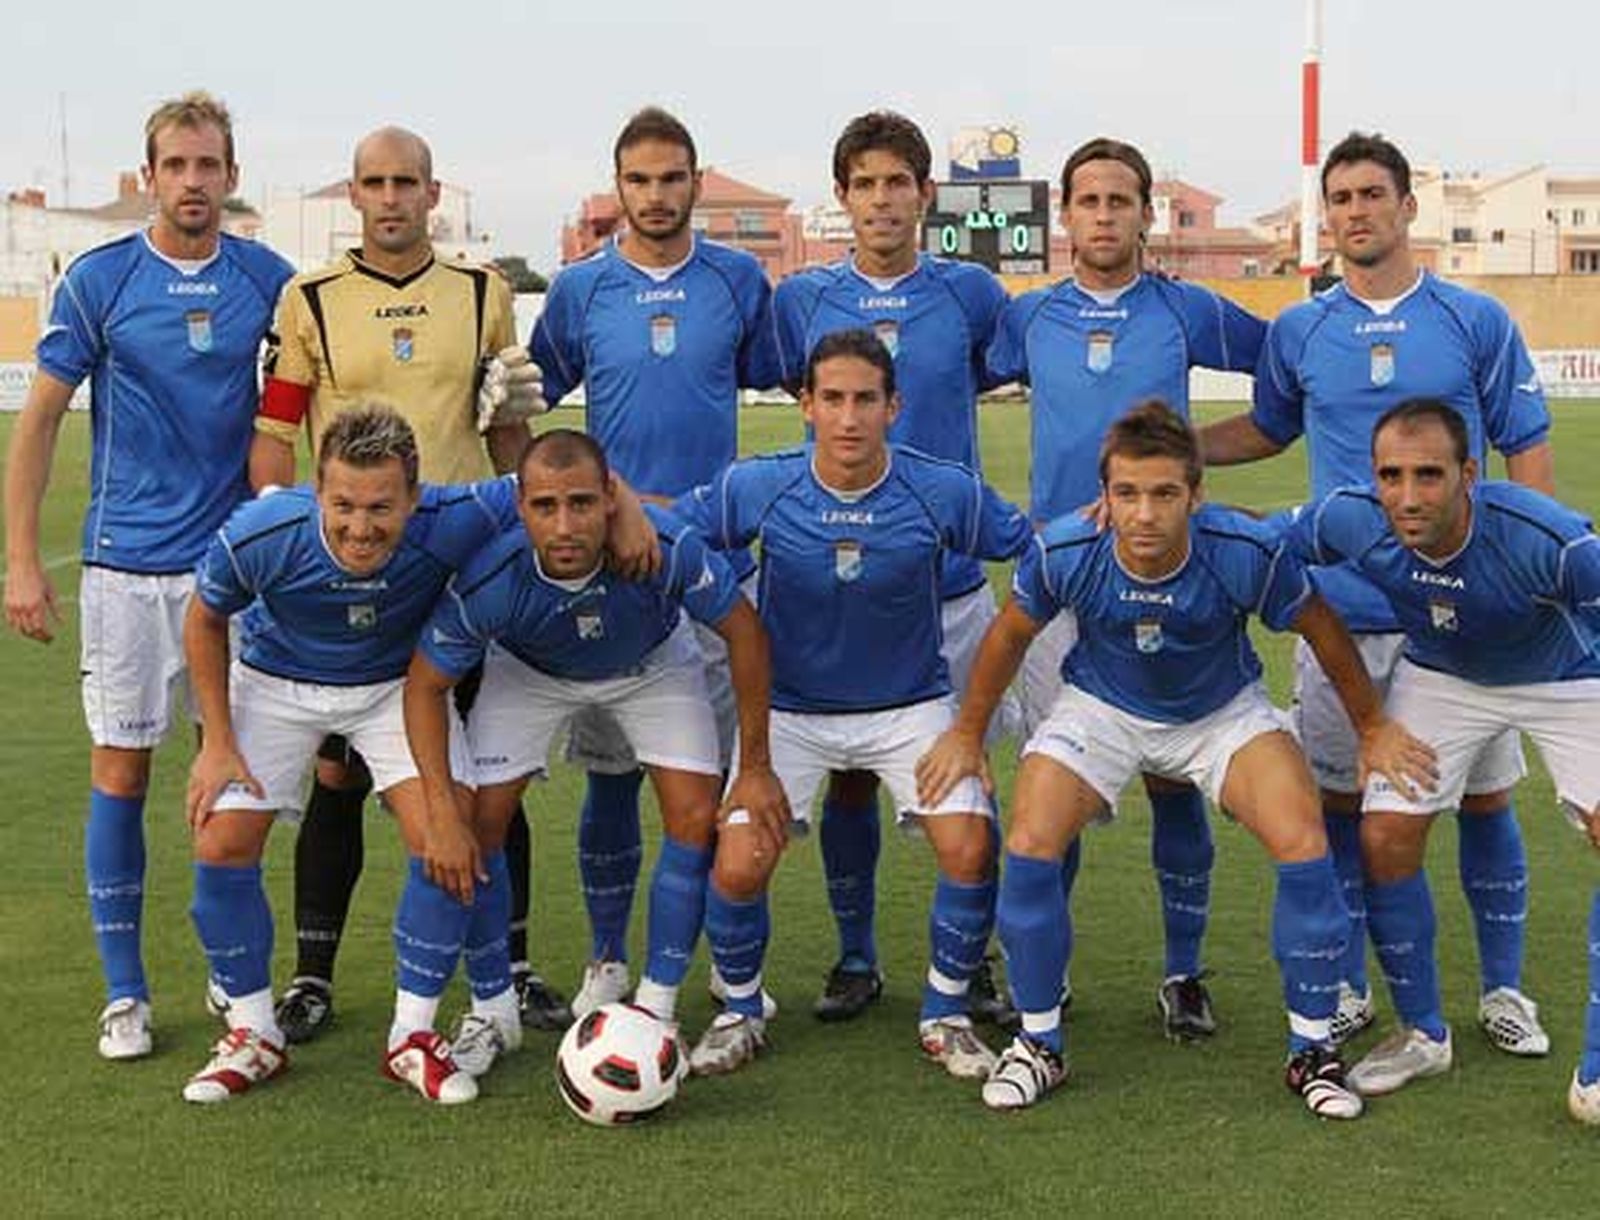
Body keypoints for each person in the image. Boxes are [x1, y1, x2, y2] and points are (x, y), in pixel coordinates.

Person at [917, 400, 1436, 1117]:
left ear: (1196, 493)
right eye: (1126, 493)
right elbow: (1009, 634)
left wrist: (1373, 726)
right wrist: (967, 735)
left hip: (1221, 711)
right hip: (1102, 708)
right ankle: (1040, 1044)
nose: (1144, 513)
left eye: (1164, 493)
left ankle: (1311, 1050)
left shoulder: (1243, 550)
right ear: (1104, 496)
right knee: (1032, 838)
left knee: (1303, 837)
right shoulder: (1067, 549)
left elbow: (1320, 627)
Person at [1200, 131, 1556, 1051]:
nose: (1356, 211)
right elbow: (1271, 429)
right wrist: (1177, 450)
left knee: (1483, 799)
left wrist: (1530, 564)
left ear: (1406, 208)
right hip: (1345, 609)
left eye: (1372, 195)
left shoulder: (1473, 319)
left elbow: (1524, 443)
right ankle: (1355, 984)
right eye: (1341, 197)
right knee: (1347, 805)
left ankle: (1505, 990)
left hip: (1463, 608)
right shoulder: (1302, 329)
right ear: (1329, 216)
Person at [247, 125, 557, 1041]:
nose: (390, 197)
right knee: (340, 771)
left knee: (488, 771)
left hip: (462, 558)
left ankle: (517, 963)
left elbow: (506, 430)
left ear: (434, 192)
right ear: (353, 194)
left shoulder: (482, 291)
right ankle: (313, 975)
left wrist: (531, 488)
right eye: (374, 182)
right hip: (356, 559)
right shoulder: (307, 297)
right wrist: (284, 539)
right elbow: (276, 431)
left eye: (406, 182)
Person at [2, 91, 293, 1059]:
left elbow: (309, 400)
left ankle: (230, 969)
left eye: (210, 166)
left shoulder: (267, 279)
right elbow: (38, 420)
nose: (194, 182)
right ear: (151, 174)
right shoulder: (100, 280)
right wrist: (19, 563)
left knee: (236, 780)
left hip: (232, 574)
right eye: (176, 166)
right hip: (124, 568)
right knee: (120, 774)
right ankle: (125, 991)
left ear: (232, 176)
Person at [673, 329, 1032, 1079]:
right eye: (831, 399)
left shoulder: (943, 491)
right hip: (793, 713)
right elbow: (674, 531)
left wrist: (1103, 523)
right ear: (803, 405)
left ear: (893, 407)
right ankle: (741, 1009)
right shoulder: (758, 485)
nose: (847, 418)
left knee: (970, 845)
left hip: (911, 707)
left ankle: (946, 1012)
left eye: (864, 400)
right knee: (738, 861)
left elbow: (1032, 550)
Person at [985, 136, 1268, 1037]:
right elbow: (938, 385)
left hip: (1170, 571)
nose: (1104, 216)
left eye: (1120, 201)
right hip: (1063, 579)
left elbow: (1288, 390)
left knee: (1176, 782)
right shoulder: (1027, 320)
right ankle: (1045, 978)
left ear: (1146, 214)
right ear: (1064, 216)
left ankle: (1184, 974)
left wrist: (1189, 458)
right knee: (1051, 782)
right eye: (1088, 201)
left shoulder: (1189, 312)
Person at [403, 429, 785, 1075]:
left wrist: (753, 765)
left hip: (651, 665)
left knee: (694, 817)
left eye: (582, 503)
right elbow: (425, 683)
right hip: (528, 670)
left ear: (611, 499)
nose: (565, 524)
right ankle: (492, 1008)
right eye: (545, 507)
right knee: (475, 823)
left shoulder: (660, 545)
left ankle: (657, 1007)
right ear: (518, 506)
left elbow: (743, 631)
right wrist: (439, 805)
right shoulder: (492, 575)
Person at [180, 407, 517, 1104]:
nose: (359, 527)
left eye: (380, 508)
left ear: (415, 499)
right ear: (317, 490)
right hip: (274, 685)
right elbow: (205, 617)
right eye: (342, 505)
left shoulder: (455, 516)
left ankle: (413, 1036)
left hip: (396, 690)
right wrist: (216, 741)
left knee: (447, 836)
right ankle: (253, 1035)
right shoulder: (263, 532)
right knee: (221, 840)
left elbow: (561, 480)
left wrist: (631, 515)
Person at [528, 106, 779, 1018]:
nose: (657, 195)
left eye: (673, 178)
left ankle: (716, 960)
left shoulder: (740, 282)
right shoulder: (579, 290)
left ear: (697, 181)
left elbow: (782, 378)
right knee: (610, 770)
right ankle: (605, 957)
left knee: (705, 776)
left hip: (712, 557)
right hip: (611, 563)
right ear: (617, 188)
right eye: (639, 180)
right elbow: (534, 408)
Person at [1283, 398, 1600, 1111]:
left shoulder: (1550, 540)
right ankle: (1423, 1034)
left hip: (1565, 679)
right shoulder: (1352, 517)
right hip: (1444, 678)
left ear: (1469, 473)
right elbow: (1261, 546)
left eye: (1428, 475)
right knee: (1385, 835)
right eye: (1390, 476)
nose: (1407, 496)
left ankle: (1596, 1072)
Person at [771, 110, 1017, 1024]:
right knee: (844, 772)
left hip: (947, 587)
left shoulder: (971, 296)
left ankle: (974, 960)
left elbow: (994, 376)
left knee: (969, 771)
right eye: (864, 183)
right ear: (843, 198)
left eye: (897, 182)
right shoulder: (801, 302)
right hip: (838, 588)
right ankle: (855, 955)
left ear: (925, 195)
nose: (882, 199)